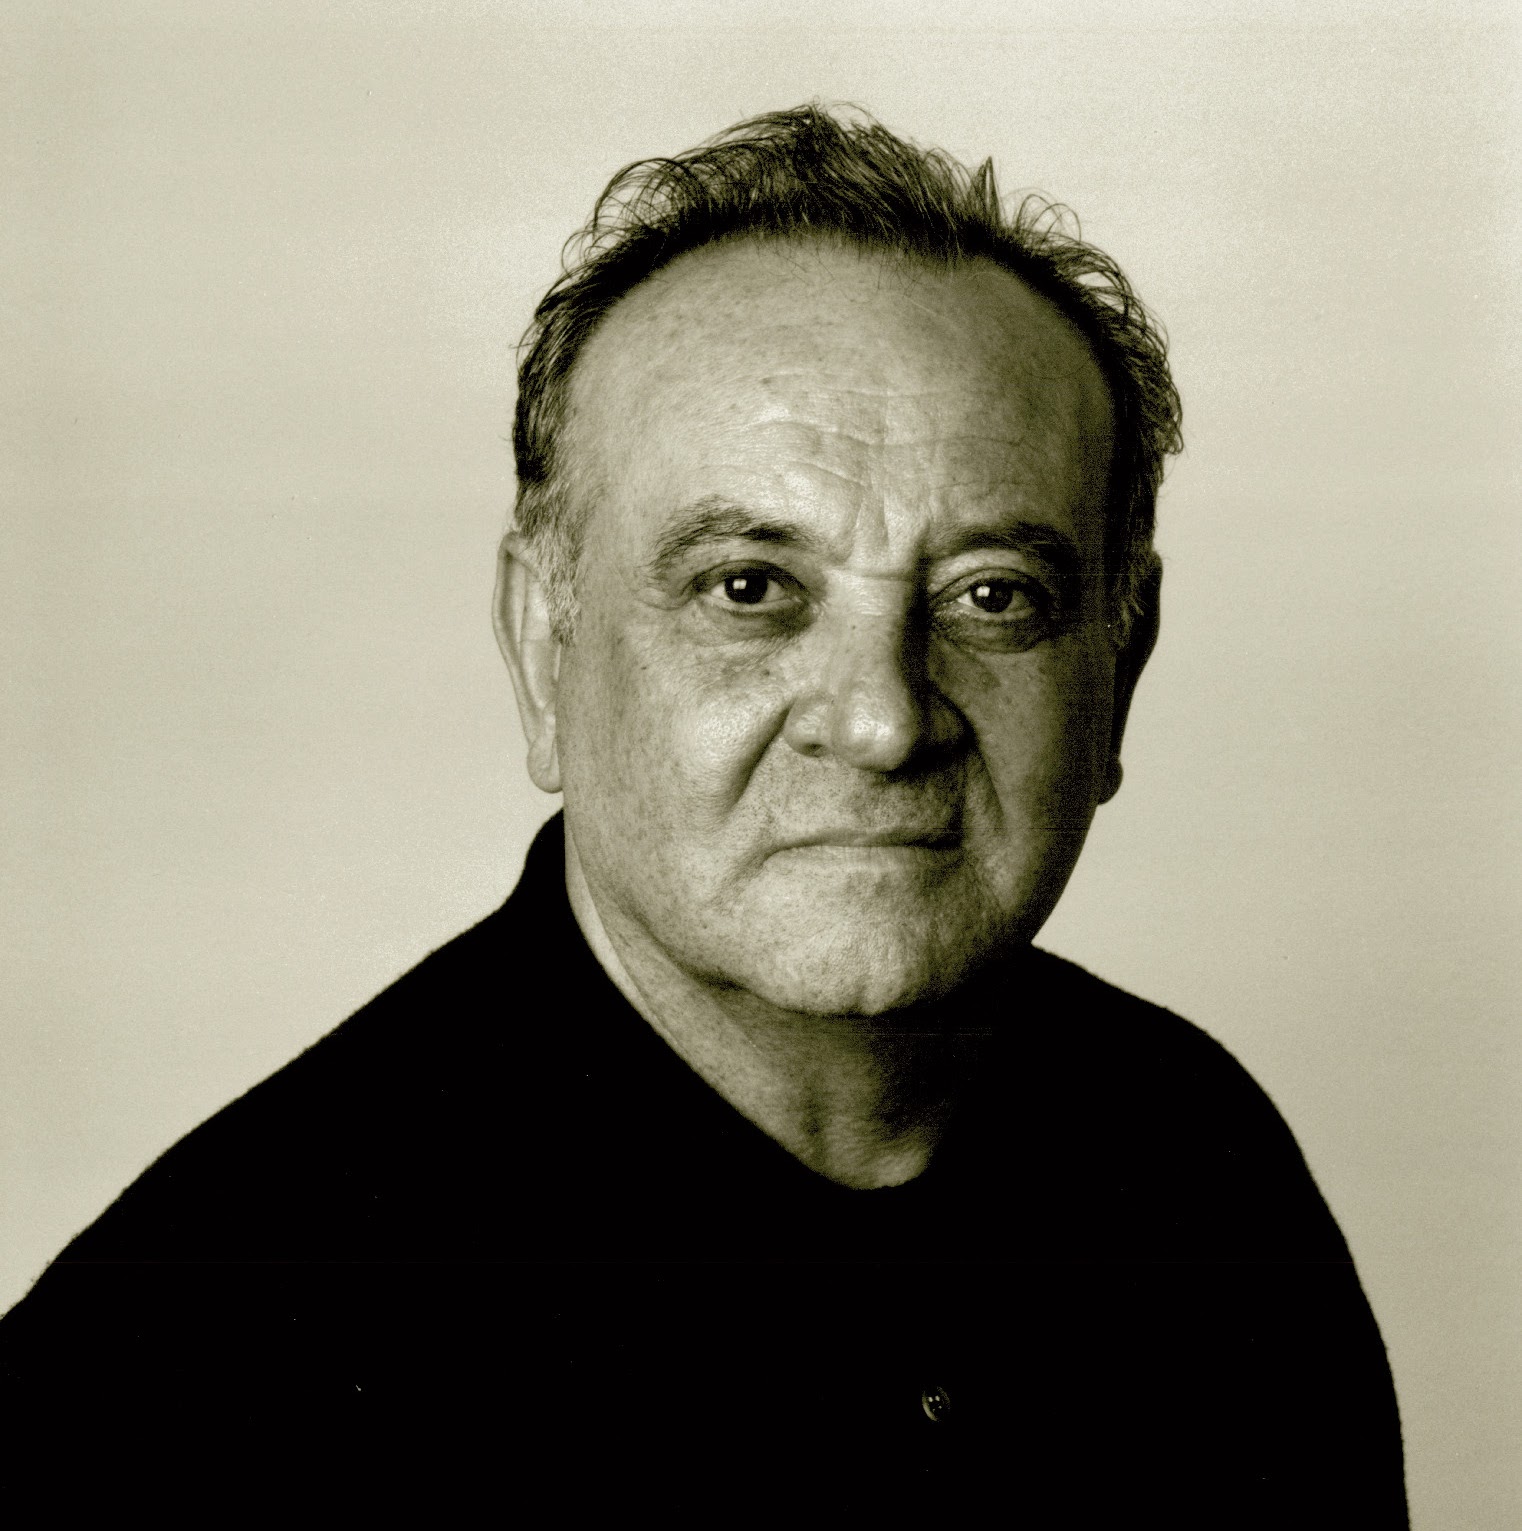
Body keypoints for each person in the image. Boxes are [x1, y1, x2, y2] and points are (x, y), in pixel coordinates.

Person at [1, 105, 1406, 1523]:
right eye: (750, 588)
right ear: (543, 648)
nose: (882, 720)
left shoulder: (1199, 1168)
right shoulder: (184, 1379)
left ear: (1120, 663)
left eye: (993, 596)